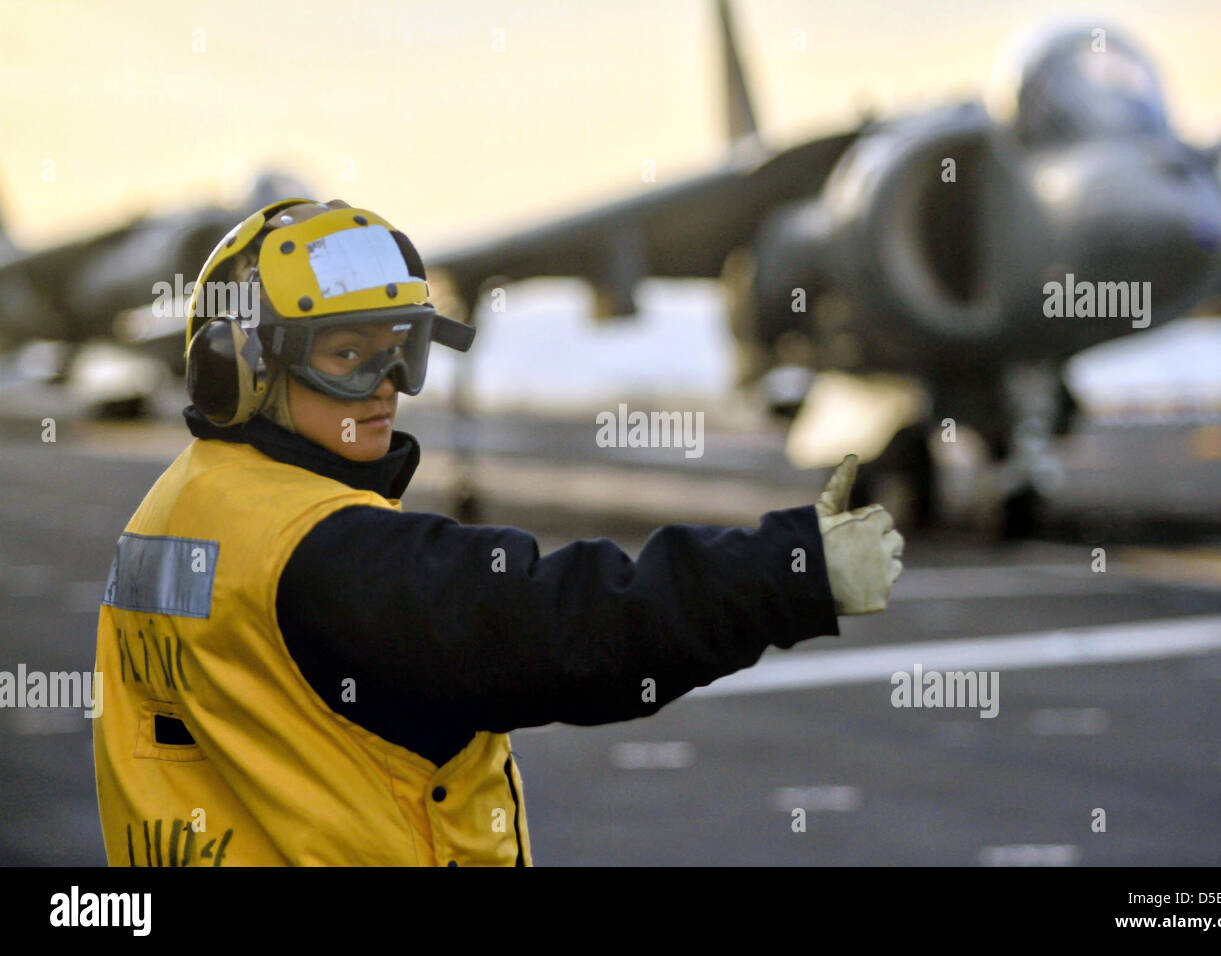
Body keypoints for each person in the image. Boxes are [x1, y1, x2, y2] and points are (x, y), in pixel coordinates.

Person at [93, 198, 904, 867]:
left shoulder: (171, 515)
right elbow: (572, 624)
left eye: (400, 352)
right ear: (244, 369)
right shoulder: (323, 548)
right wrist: (798, 567)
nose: (387, 390)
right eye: (345, 357)